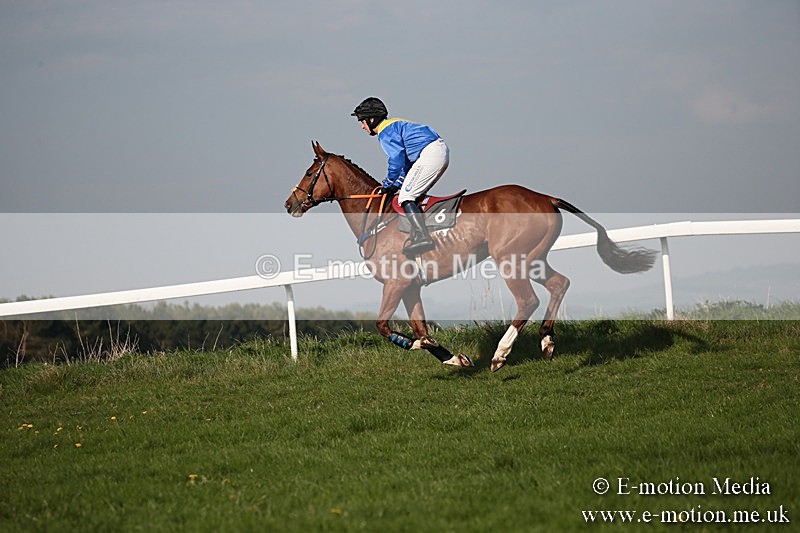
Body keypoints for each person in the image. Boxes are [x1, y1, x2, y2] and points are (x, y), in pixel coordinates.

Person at [351, 97, 449, 256]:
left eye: (362, 121)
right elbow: (406, 165)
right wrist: (397, 184)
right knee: (410, 193)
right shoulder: (395, 124)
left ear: (371, 119)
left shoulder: (385, 132)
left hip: (430, 154)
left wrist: (388, 184)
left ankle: (422, 236)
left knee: (406, 197)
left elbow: (396, 160)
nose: (362, 126)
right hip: (435, 151)